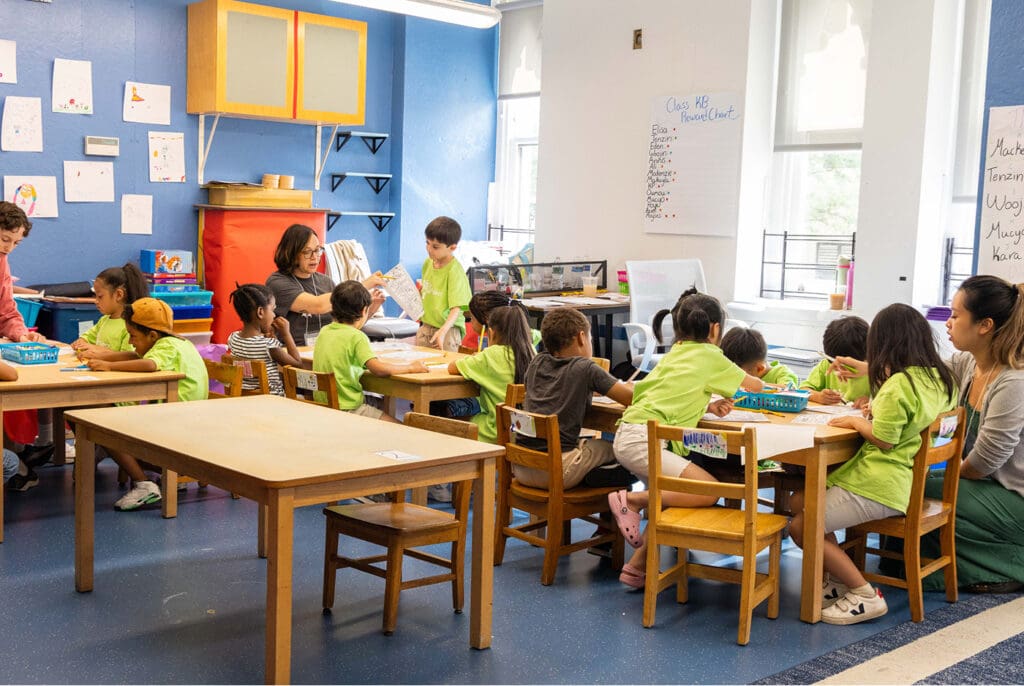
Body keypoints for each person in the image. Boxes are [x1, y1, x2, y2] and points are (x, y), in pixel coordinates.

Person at [789, 303, 956, 625]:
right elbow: (906, 424)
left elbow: (885, 440)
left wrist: (856, 422)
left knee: (800, 524)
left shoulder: (898, 385)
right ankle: (838, 578)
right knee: (799, 500)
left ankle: (864, 594)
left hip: (879, 483)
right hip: (898, 479)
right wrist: (872, 410)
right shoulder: (939, 378)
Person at [608, 289, 763, 588]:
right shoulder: (710, 355)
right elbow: (754, 386)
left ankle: (636, 568)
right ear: (716, 329)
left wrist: (705, 404)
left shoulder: (675, 352)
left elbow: (660, 393)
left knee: (674, 496)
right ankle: (632, 500)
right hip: (645, 441)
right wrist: (766, 376)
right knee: (706, 491)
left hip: (630, 433)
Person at [894, 275, 1024, 594]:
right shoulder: (970, 362)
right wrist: (872, 367)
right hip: (986, 485)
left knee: (908, 487)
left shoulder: (1013, 382)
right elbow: (925, 373)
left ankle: (1010, 565)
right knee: (905, 482)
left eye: (955, 314)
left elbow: (983, 463)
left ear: (985, 325)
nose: (948, 322)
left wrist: (934, 471)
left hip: (1012, 497)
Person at [83, 298, 209, 511]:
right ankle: (124, 461)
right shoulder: (171, 342)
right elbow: (137, 354)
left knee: (101, 418)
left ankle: (144, 485)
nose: (131, 341)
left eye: (133, 336)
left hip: (177, 423)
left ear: (152, 335)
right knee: (103, 415)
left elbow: (149, 364)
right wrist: (107, 358)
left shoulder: (167, 346)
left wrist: (109, 366)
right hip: (173, 417)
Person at [515, 308, 633, 489]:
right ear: (581, 337)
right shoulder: (585, 367)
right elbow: (629, 398)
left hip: (521, 466)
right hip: (556, 471)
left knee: (592, 449)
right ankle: (619, 503)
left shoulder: (537, 362)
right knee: (622, 451)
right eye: (591, 339)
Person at [313, 281, 428, 421]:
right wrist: (411, 367)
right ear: (364, 311)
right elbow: (378, 369)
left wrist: (370, 308)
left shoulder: (325, 331)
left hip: (322, 406)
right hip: (347, 408)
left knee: (376, 406)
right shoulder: (357, 337)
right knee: (398, 427)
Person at [265, 224, 386, 346]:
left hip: (328, 350)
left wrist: (371, 309)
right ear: (291, 253)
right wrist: (363, 286)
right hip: (294, 355)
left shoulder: (326, 282)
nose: (315, 257)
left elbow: (347, 325)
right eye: (307, 252)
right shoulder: (277, 282)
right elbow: (317, 305)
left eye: (317, 250)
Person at [447, 305, 535, 444]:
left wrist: (479, 355)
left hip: (494, 431)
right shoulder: (532, 353)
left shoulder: (491, 355)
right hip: (524, 429)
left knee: (449, 415)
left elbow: (452, 367)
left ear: (491, 333)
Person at [227, 283, 303, 396]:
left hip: (245, 401)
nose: (274, 315)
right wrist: (286, 334)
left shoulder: (233, 338)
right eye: (273, 309)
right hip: (272, 402)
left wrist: (272, 336)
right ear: (260, 312)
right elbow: (297, 365)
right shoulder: (269, 346)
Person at [70, 263, 149, 359]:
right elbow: (87, 337)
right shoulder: (104, 320)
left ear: (119, 295)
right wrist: (81, 343)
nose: (96, 301)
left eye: (100, 296)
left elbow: (130, 357)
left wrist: (97, 350)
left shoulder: (131, 326)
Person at [417, 216, 472, 352]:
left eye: (435, 247)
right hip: (426, 326)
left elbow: (456, 308)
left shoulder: (455, 271)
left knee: (443, 368)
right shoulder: (427, 264)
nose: (429, 249)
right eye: (427, 243)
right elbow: (424, 292)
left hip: (448, 330)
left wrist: (442, 331)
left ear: (452, 247)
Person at [800, 316, 870, 406]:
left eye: (849, 366)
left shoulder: (879, 371)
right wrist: (818, 396)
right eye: (834, 363)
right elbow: (803, 389)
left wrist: (872, 402)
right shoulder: (826, 364)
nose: (841, 370)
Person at [720, 326, 799, 387]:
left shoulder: (782, 373)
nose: (734, 378)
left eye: (739, 375)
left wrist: (755, 385)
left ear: (759, 369)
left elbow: (788, 390)